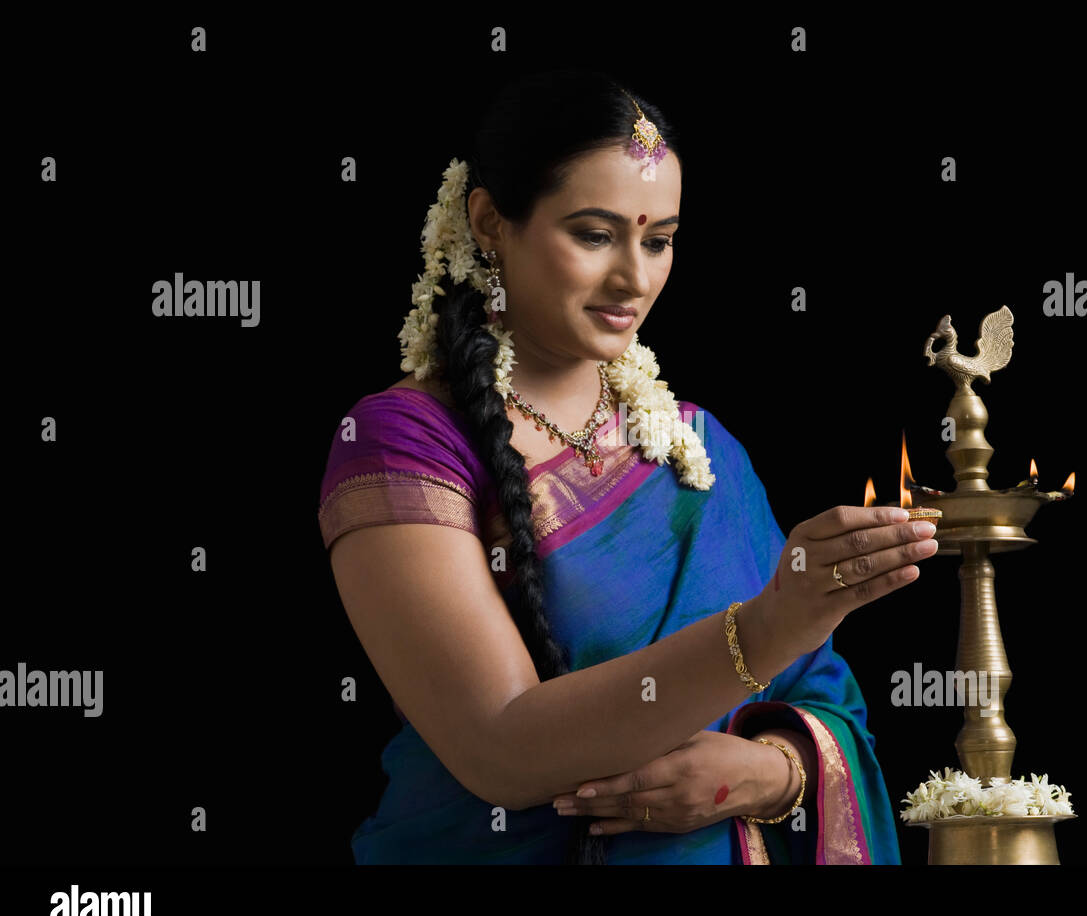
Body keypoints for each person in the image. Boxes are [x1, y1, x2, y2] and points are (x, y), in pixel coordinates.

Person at [317, 69, 938, 864]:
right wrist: (772, 621)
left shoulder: (699, 448)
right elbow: (498, 743)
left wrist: (773, 773)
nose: (635, 279)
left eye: (659, 240)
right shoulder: (403, 441)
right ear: (489, 222)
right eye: (594, 233)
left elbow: (822, 697)